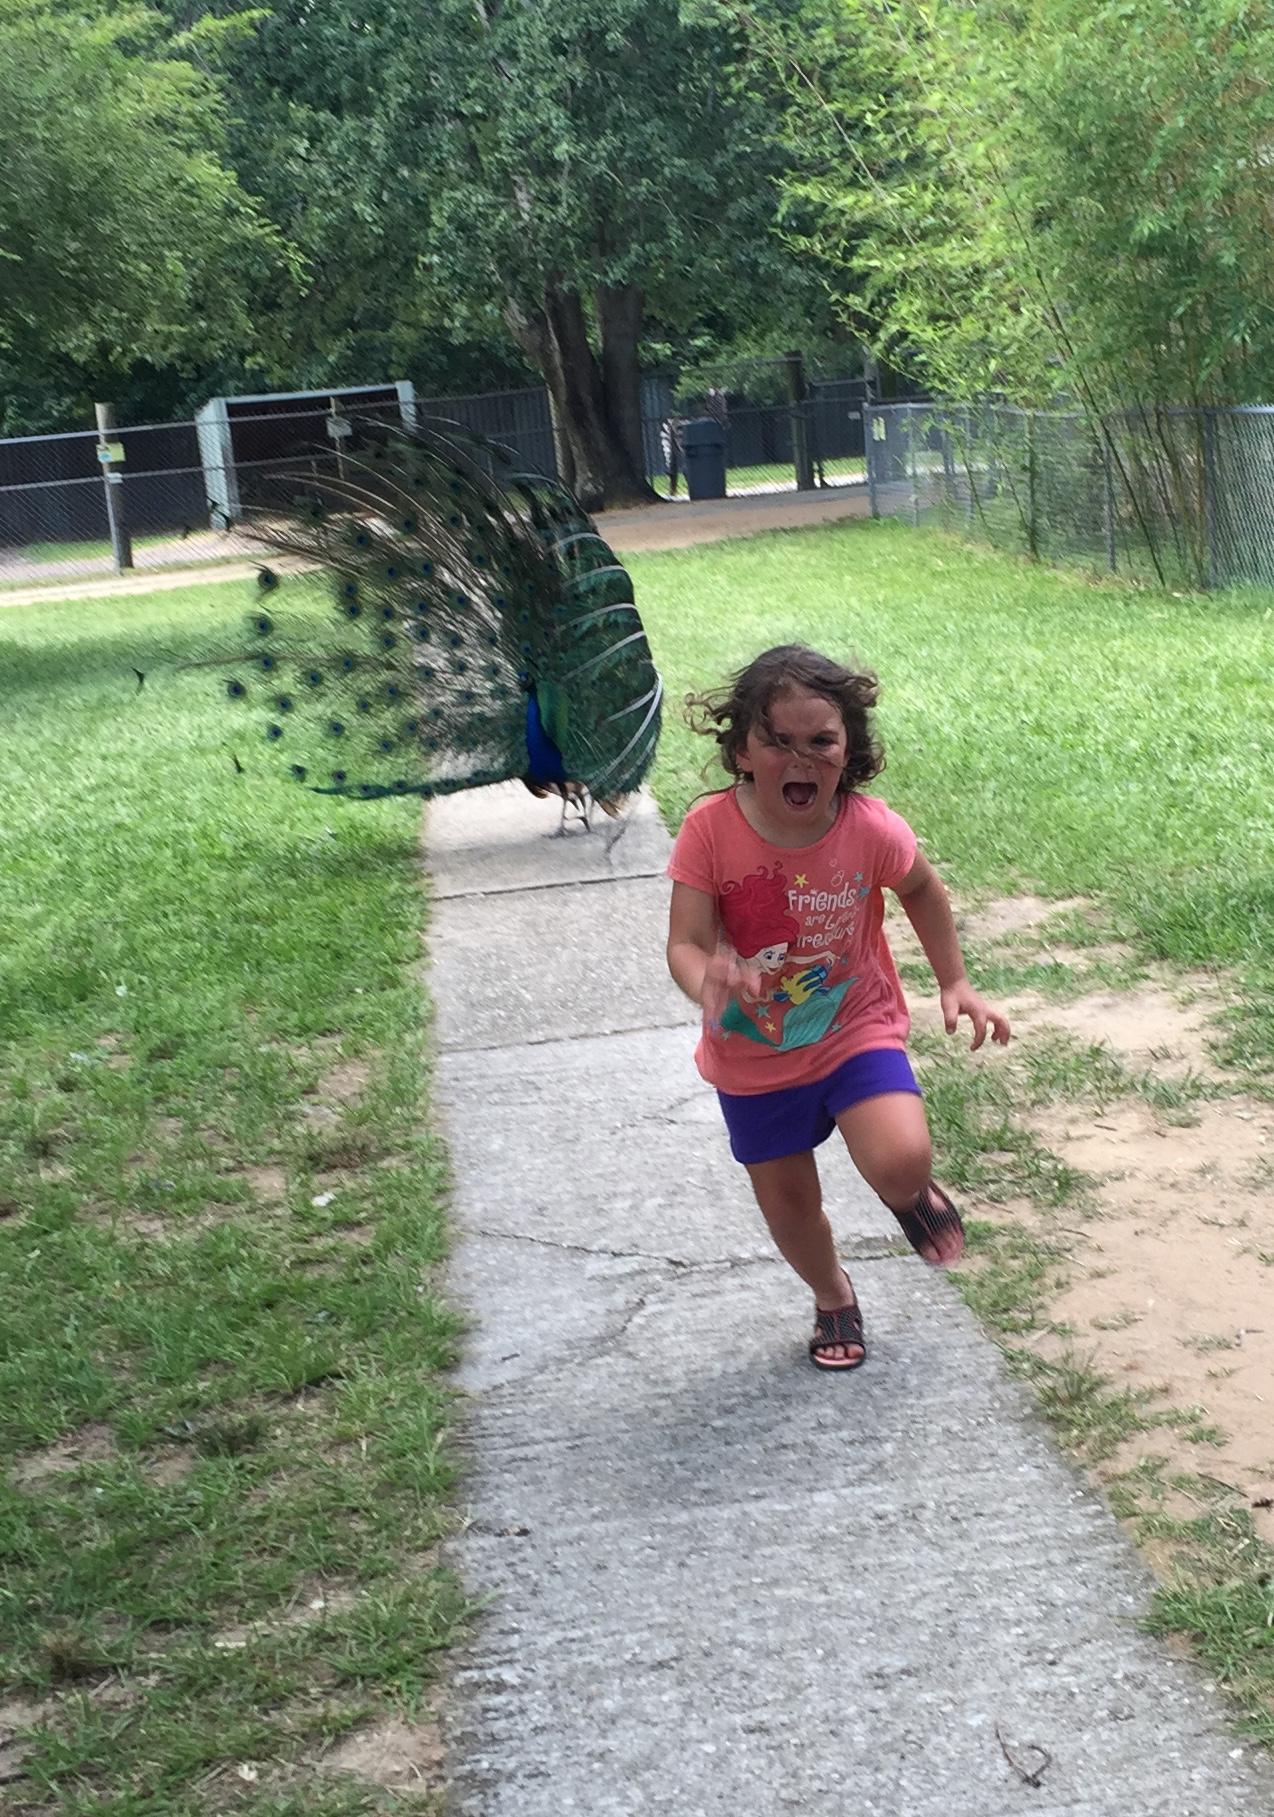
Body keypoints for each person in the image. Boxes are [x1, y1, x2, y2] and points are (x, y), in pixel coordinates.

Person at [665, 644, 1011, 1373]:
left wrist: (955, 980)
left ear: (849, 749)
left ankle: (907, 1193)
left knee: (900, 1157)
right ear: (742, 752)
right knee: (791, 1206)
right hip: (751, 1052)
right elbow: (686, 944)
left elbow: (920, 887)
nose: (801, 758)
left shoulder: (870, 827)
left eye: (820, 740)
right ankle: (832, 1295)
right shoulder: (709, 832)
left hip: (855, 1026)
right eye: (777, 741)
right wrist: (710, 979)